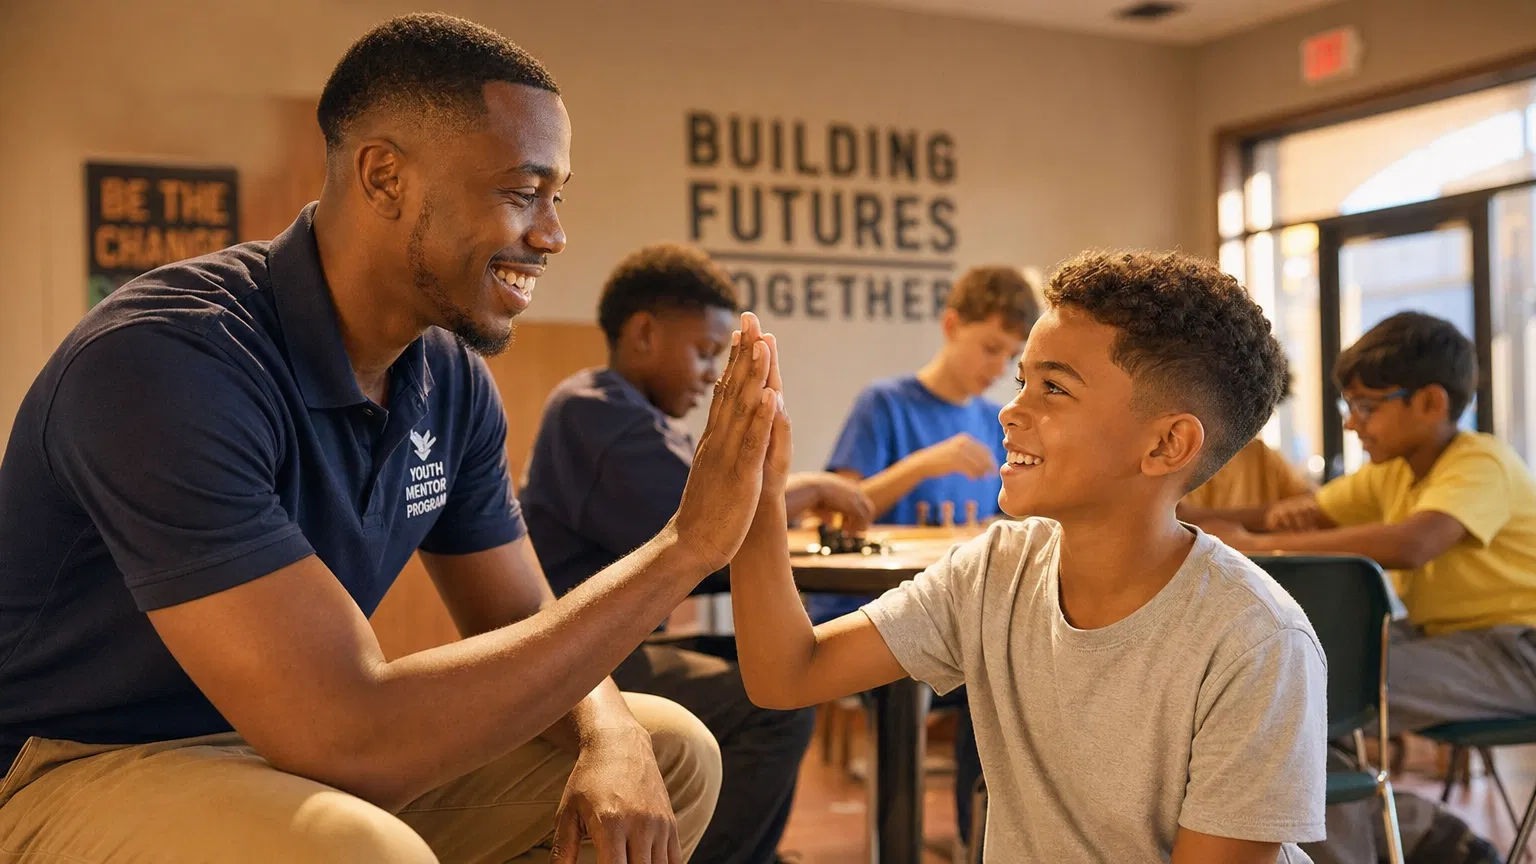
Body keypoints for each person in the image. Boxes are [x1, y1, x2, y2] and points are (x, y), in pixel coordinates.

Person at [0, 14, 791, 863]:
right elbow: (348, 737)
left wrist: (612, 733)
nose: (554, 234)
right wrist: (684, 548)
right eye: (523, 192)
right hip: (70, 763)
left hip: (271, 746)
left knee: (672, 750)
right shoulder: (166, 359)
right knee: (360, 849)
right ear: (384, 177)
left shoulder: (448, 378)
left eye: (558, 197)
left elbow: (522, 613)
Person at [729, 250, 1328, 861]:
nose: (1010, 411)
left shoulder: (1256, 644)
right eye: (1022, 381)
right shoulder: (995, 571)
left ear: (1167, 444)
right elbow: (787, 675)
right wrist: (758, 493)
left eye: (1054, 388)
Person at [519, 243, 872, 864]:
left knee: (770, 665)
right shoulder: (599, 415)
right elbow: (711, 532)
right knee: (773, 701)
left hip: (617, 646)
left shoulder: (637, 419)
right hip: (583, 661)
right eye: (705, 351)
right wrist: (806, 488)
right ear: (645, 333)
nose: (713, 371)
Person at [1198, 311, 1535, 864]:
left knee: (1309, 695)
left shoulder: (1480, 461)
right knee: (1293, 686)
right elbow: (1283, 515)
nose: (1353, 424)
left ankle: (1410, 837)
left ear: (1430, 403)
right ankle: (1424, 833)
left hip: (1518, 652)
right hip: (1448, 644)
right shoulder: (1393, 471)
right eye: (1348, 407)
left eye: (1367, 406)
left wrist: (1257, 546)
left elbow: (1414, 542)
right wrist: (1186, 515)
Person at [808, 265, 1039, 845]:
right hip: (869, 607)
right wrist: (924, 464)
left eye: (1008, 356)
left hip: (957, 609)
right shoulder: (884, 403)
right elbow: (836, 514)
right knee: (995, 669)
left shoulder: (993, 422)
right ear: (951, 324)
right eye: (989, 347)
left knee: (1014, 670)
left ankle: (978, 839)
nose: (995, 368)